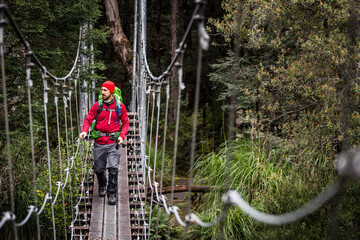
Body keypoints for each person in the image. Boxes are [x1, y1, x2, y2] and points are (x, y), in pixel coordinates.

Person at [79, 81, 129, 205]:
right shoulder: (97, 105)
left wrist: (122, 136)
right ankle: (102, 184)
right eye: (102, 90)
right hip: (99, 142)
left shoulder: (120, 106)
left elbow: (126, 123)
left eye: (105, 90)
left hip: (113, 142)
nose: (102, 92)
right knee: (99, 168)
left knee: (113, 168)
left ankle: (111, 193)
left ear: (111, 91)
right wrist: (84, 131)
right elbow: (88, 118)